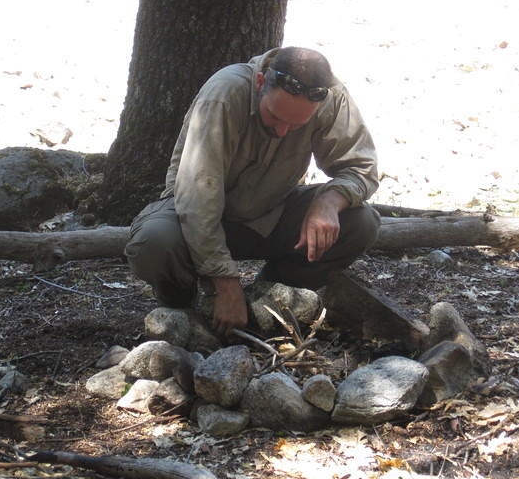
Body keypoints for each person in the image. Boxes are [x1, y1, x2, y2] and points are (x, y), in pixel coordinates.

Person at [125, 46, 380, 336]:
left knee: (360, 222)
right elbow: (198, 197)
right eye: (274, 116)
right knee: (154, 243)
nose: (283, 131)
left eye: (296, 125)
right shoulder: (225, 93)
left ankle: (269, 297)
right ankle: (183, 308)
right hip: (197, 218)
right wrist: (224, 282)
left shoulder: (330, 97)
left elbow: (362, 169)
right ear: (261, 84)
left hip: (270, 216)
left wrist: (330, 201)